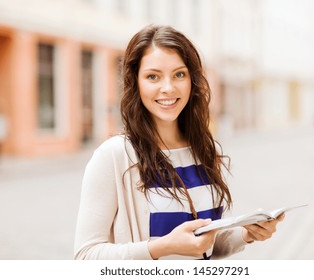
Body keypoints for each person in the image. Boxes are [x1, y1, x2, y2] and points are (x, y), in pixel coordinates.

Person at [74, 25, 284, 260]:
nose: (168, 88)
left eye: (179, 74)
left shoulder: (204, 149)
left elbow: (206, 245)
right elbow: (85, 256)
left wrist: (246, 233)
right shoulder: (114, 156)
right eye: (153, 76)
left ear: (192, 80)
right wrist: (162, 247)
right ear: (136, 82)